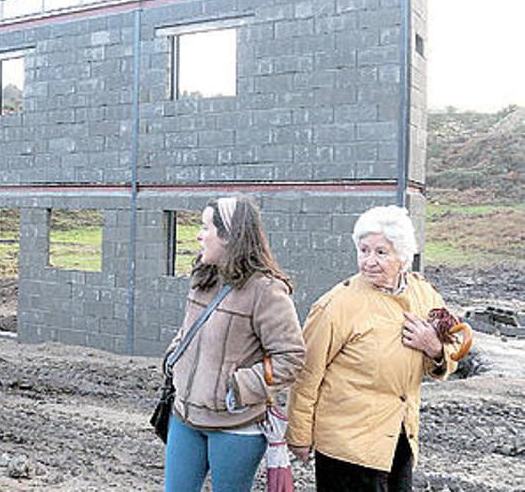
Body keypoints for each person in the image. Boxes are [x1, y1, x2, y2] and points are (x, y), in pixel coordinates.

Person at [285, 205, 461, 492]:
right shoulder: (336, 304)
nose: (369, 261)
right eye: (364, 250)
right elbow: (306, 374)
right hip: (347, 447)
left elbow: (456, 345)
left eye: (381, 252)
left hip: (400, 438)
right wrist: (299, 435)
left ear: (403, 256)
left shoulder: (425, 294)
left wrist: (435, 349)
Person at [162, 197, 306, 492]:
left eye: (206, 228)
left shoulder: (267, 290)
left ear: (229, 236)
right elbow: (188, 330)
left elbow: (290, 357)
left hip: (237, 427)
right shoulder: (203, 277)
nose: (199, 235)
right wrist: (174, 358)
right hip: (185, 417)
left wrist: (240, 386)